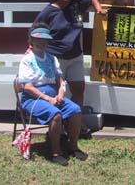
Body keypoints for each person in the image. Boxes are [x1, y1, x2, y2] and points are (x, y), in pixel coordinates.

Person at [33, 0, 106, 136]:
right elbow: (35, 29)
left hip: (75, 57)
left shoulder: (77, 5)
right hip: (55, 59)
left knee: (79, 90)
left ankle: (76, 125)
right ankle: (58, 125)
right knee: (56, 93)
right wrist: (32, 48)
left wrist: (98, 8)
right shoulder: (49, 11)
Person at [18, 23, 87, 166]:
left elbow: (60, 79)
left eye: (44, 41)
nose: (41, 43)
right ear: (31, 42)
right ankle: (56, 152)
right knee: (56, 114)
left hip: (54, 96)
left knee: (76, 110)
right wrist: (48, 98)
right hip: (33, 98)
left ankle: (73, 146)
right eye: (38, 41)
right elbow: (27, 87)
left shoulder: (51, 58)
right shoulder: (27, 60)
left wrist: (61, 92)